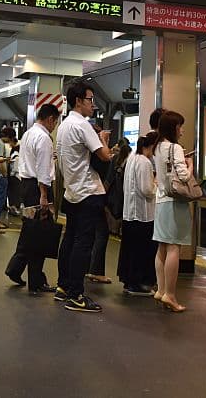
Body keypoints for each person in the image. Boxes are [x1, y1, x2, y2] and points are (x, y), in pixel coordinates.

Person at [54, 81, 111, 313]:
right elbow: (104, 156)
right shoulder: (83, 124)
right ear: (78, 100)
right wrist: (105, 139)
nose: (93, 105)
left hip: (72, 191)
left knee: (70, 239)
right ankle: (77, 294)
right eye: (90, 100)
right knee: (83, 243)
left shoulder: (64, 125)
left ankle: (64, 286)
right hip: (88, 191)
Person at [4, 104, 61, 294]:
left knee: (31, 231)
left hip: (26, 185)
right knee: (40, 235)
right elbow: (44, 171)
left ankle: (16, 268)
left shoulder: (28, 134)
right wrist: (44, 195)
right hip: (39, 189)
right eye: (55, 122)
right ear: (50, 118)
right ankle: (35, 281)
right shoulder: (44, 138)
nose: (55, 126)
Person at [152, 110, 193, 312]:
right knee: (174, 248)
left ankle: (160, 290)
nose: (182, 130)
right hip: (174, 202)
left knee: (162, 247)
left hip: (160, 200)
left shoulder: (158, 147)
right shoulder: (175, 147)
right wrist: (190, 165)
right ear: (173, 128)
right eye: (180, 126)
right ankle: (171, 295)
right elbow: (184, 176)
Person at [117, 132, 158, 296]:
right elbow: (147, 190)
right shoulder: (144, 162)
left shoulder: (132, 157)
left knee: (130, 249)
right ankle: (138, 283)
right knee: (141, 250)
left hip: (129, 214)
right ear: (153, 146)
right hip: (142, 214)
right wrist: (157, 185)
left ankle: (129, 282)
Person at [86, 127, 128, 285]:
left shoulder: (88, 154)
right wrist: (102, 140)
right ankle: (96, 271)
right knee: (101, 234)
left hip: (89, 196)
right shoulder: (101, 156)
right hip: (99, 198)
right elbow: (108, 177)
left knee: (91, 234)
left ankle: (88, 268)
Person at [0, 128, 14, 229]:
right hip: (0, 176)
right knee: (0, 199)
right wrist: (5, 174)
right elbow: (0, 161)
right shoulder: (1, 144)